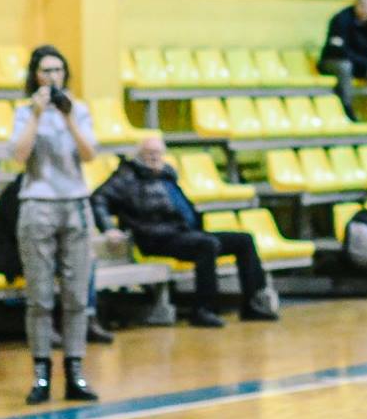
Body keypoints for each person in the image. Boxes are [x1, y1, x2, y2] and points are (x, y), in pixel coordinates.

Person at [92, 135, 279, 328]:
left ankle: (252, 304)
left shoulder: (167, 175)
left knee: (244, 240)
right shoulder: (126, 176)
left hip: (182, 233)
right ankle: (203, 310)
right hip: (155, 238)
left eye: (158, 153)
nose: (154, 157)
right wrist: (109, 228)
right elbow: (98, 199)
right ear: (138, 155)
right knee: (206, 245)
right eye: (149, 153)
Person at [10, 46, 99, 405]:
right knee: (40, 296)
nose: (52, 77)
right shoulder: (23, 112)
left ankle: (75, 370)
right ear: (35, 76)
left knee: (76, 294)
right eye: (46, 71)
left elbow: (90, 154)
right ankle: (41, 373)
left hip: (75, 204)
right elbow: (19, 156)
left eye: (58, 70)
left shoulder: (79, 110)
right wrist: (36, 115)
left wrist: (69, 118)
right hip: (38, 205)